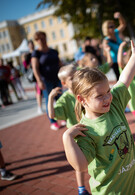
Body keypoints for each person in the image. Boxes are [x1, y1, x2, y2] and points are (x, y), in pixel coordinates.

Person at [62, 37, 135, 194]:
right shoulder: (86, 130)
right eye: (99, 96)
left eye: (108, 91)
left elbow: (124, 80)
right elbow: (80, 166)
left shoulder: (113, 104)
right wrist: (67, 138)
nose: (107, 97)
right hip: (112, 191)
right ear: (82, 99)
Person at [47, 65, 89, 195]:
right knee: (79, 164)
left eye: (77, 75)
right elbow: (53, 115)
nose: (75, 79)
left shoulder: (84, 91)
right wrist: (50, 98)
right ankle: (81, 188)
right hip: (77, 135)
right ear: (64, 83)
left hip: (91, 130)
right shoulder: (65, 99)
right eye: (71, 78)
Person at [31, 31, 63, 130]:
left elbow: (59, 63)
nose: (41, 40)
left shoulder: (53, 51)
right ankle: (53, 122)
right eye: (38, 39)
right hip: (45, 80)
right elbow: (35, 68)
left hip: (57, 78)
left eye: (42, 38)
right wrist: (39, 81)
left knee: (60, 99)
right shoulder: (36, 53)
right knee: (49, 99)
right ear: (36, 41)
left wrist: (63, 75)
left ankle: (63, 117)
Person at [102, 12, 126, 81]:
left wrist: (120, 17)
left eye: (113, 26)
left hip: (124, 59)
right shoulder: (106, 41)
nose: (113, 28)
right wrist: (107, 49)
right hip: (116, 62)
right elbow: (105, 54)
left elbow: (123, 24)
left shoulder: (116, 32)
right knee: (121, 80)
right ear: (106, 29)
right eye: (110, 27)